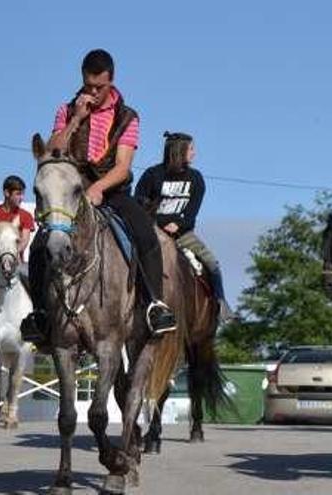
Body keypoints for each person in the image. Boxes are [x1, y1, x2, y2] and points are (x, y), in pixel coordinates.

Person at [23, 49, 176, 337]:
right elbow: (53, 152)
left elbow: (122, 167)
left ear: (112, 81)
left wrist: (98, 188)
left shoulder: (128, 116)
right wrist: (76, 120)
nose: (93, 92)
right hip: (71, 190)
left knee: (145, 233)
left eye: (99, 87)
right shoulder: (66, 110)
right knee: (40, 244)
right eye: (88, 85)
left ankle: (154, 303)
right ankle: (40, 314)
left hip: (111, 189)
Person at [134, 131, 235, 323]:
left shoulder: (196, 179)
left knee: (212, 263)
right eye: (191, 149)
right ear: (179, 151)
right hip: (153, 232)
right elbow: (139, 204)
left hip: (183, 234)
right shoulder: (152, 175)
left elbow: (191, 214)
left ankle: (221, 304)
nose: (194, 153)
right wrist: (160, 223)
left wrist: (178, 225)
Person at [0, 175, 35, 260]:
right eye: (18, 194)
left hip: (15, 263)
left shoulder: (26, 216)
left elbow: (24, 241)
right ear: (7, 193)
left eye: (23, 194)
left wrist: (9, 255)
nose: (22, 198)